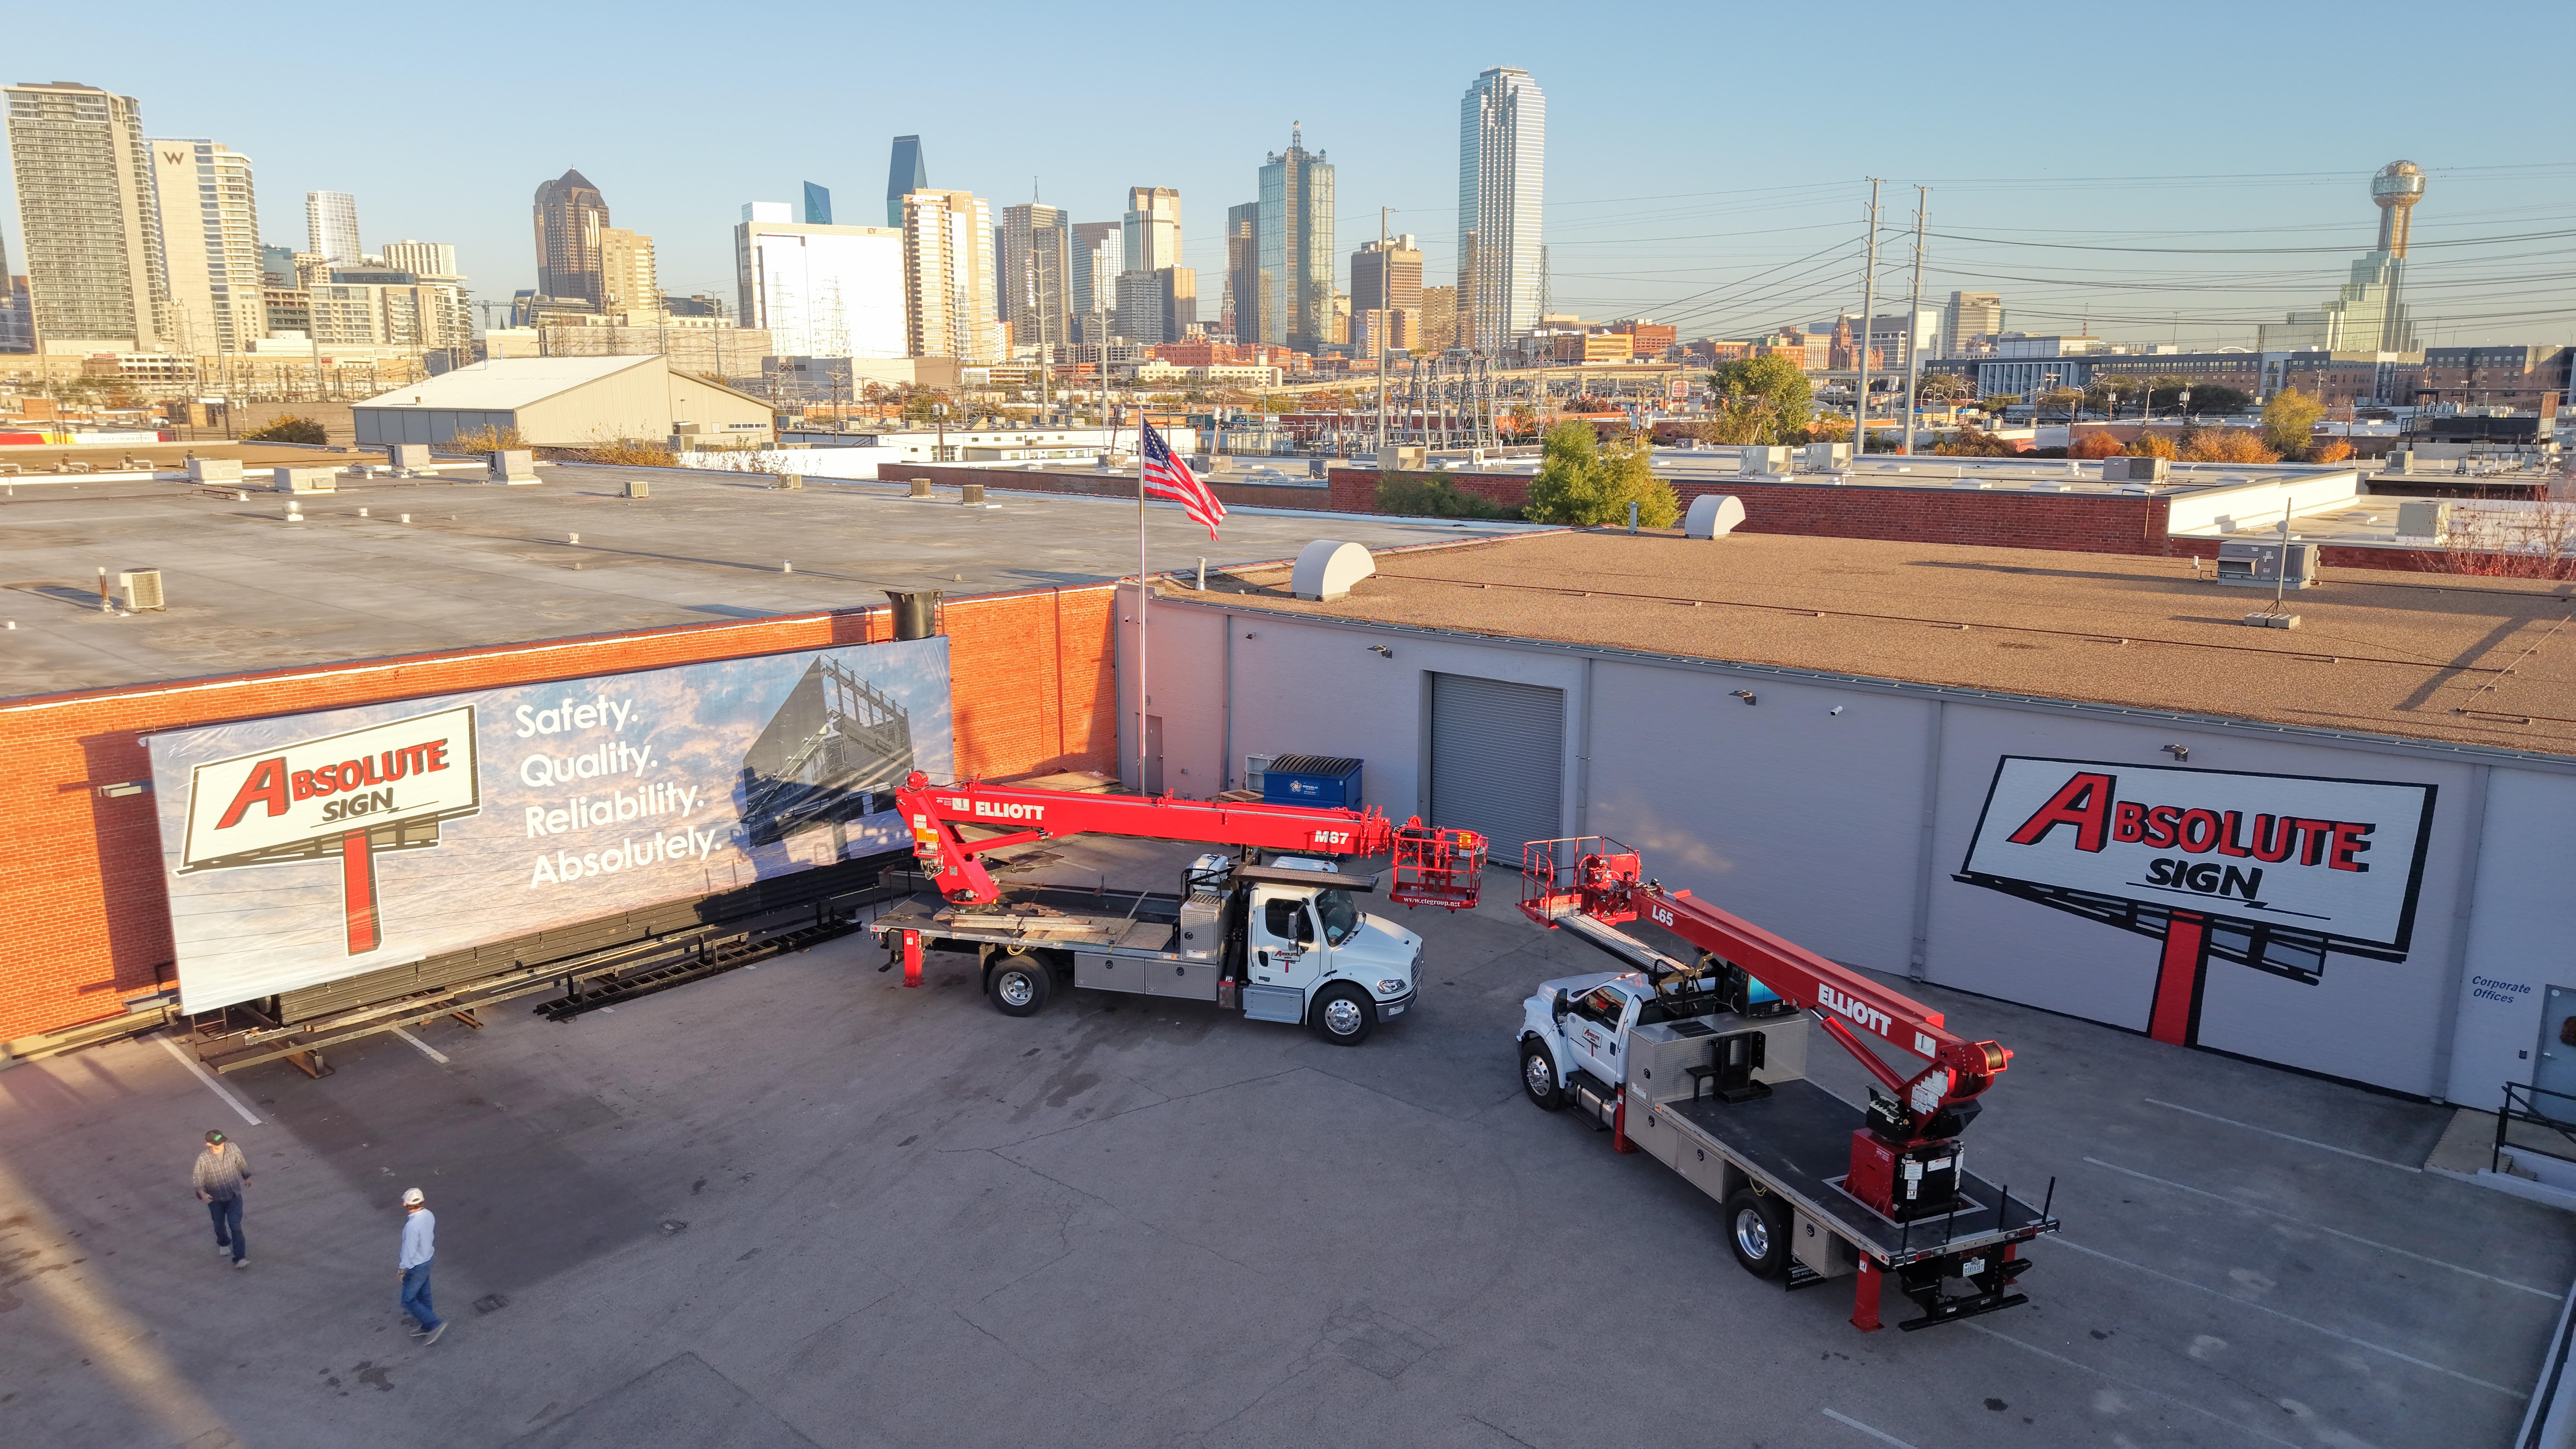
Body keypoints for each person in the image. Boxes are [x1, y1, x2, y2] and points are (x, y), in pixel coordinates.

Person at [191, 1129, 250, 1269]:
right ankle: (224, 1242)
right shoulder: (203, 1159)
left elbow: (241, 1162)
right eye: (217, 1144)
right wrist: (203, 1194)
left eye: (222, 1142)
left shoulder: (233, 1148)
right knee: (219, 1223)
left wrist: (246, 1176)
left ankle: (240, 1257)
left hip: (234, 1196)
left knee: (236, 1226)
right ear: (208, 1145)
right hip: (216, 1199)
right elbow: (197, 1179)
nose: (221, 1146)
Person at [397, 1187, 444, 1345]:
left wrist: (402, 1270)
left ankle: (434, 1325)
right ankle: (427, 1325)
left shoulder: (411, 1227)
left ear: (406, 1204)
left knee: (408, 1300)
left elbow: (409, 1250)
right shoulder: (429, 1215)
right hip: (428, 1259)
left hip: (416, 1266)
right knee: (424, 1295)